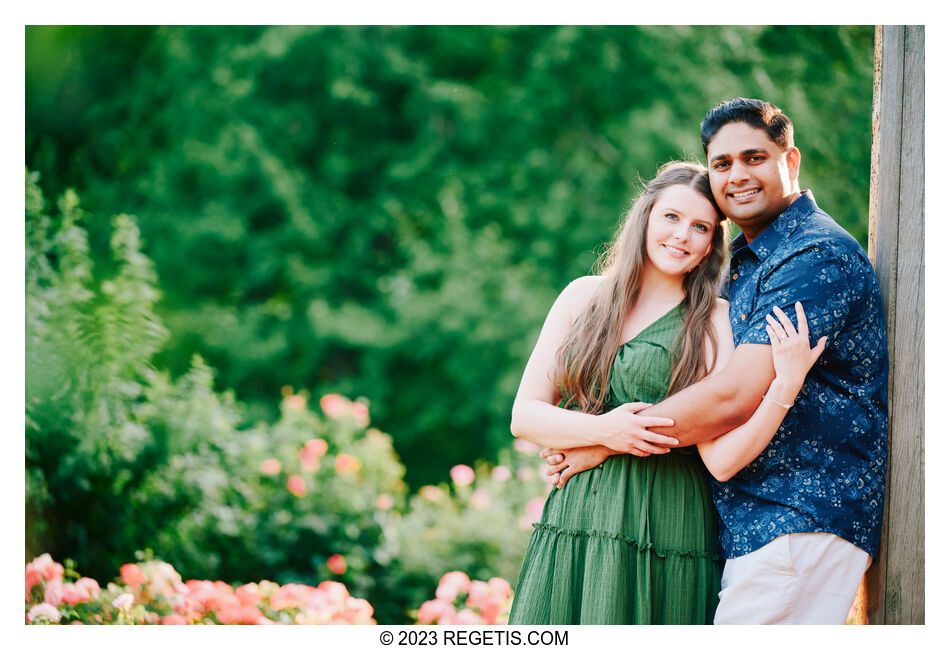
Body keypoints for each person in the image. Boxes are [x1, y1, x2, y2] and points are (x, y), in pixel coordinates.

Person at [542, 98, 888, 625]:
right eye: (722, 164)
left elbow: (731, 396)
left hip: (799, 518)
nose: (737, 175)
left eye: (754, 158)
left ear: (789, 161)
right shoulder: (747, 265)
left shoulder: (813, 257)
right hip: (752, 525)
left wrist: (601, 443)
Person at [506, 160, 825, 625]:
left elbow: (722, 459)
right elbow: (525, 416)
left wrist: (785, 386)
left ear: (712, 244)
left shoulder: (716, 322)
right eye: (671, 218)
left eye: (701, 227)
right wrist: (604, 430)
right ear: (646, 216)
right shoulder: (582, 297)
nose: (682, 236)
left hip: (668, 522)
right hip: (576, 516)